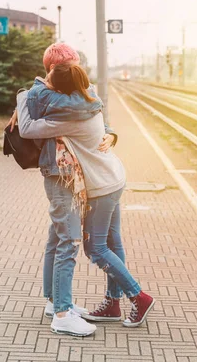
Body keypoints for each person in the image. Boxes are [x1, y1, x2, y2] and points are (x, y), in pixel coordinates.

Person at [16, 63, 156, 329]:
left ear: (59, 90)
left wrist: (23, 97)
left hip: (101, 188)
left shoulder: (66, 119)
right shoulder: (90, 101)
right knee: (112, 244)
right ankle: (113, 304)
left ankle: (139, 297)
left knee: (96, 248)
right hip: (114, 177)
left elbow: (28, 129)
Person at [7, 44, 117, 337]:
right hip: (59, 175)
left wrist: (110, 133)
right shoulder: (64, 103)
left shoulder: (59, 97)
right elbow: (30, 129)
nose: (79, 72)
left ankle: (54, 301)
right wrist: (22, 100)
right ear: (57, 70)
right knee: (68, 241)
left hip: (66, 174)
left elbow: (100, 120)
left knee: (55, 240)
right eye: (72, 66)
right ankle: (62, 315)